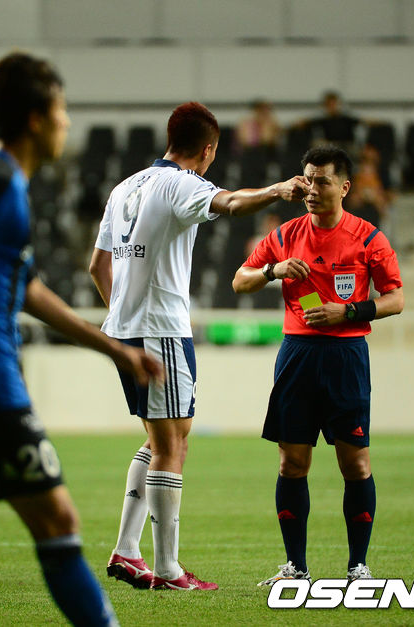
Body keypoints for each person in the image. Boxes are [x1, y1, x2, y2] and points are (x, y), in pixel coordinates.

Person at [0, 52, 163, 626]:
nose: (67, 122)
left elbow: (25, 289)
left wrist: (114, 348)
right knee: (58, 523)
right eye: (61, 109)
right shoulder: (2, 184)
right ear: (35, 118)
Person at [89, 101, 310, 591]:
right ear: (208, 150)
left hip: (127, 327)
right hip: (160, 330)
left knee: (165, 437)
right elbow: (230, 204)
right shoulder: (181, 183)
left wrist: (122, 314)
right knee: (172, 444)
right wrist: (277, 189)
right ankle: (167, 570)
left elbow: (98, 266)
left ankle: (127, 551)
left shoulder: (125, 186)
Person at [232, 145, 404, 586]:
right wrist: (272, 271)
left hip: (346, 357)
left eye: (322, 181)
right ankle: (296, 567)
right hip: (298, 355)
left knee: (356, 464)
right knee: (292, 464)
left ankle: (358, 568)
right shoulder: (285, 235)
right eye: (307, 179)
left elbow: (395, 299)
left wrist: (347, 312)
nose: (311, 189)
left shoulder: (368, 238)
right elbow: (240, 280)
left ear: (344, 187)